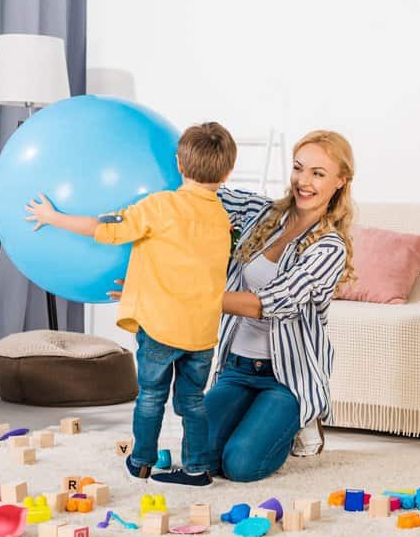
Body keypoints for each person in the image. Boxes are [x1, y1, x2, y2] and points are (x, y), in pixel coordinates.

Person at [26, 122, 236, 487]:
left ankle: (141, 461)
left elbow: (106, 229)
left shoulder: (159, 206)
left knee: (152, 396)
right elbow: (189, 268)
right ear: (227, 172)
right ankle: (196, 468)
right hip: (201, 332)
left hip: (160, 326)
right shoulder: (221, 218)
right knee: (193, 401)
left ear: (179, 165)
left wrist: (53, 217)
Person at [203, 129, 356, 482]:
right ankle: (253, 419)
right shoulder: (261, 212)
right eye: (299, 168)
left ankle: (300, 421)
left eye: (318, 174)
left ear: (340, 181)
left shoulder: (330, 247)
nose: (303, 182)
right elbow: (201, 194)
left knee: (240, 466)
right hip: (237, 368)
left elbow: (271, 303)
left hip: (285, 378)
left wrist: (186, 298)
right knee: (197, 455)